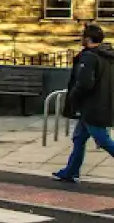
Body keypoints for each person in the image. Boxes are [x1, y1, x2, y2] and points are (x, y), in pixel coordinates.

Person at [55, 24, 114, 183]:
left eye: (82, 36)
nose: (80, 39)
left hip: (92, 107)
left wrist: (73, 97)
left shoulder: (89, 57)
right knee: (79, 138)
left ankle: (70, 171)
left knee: (103, 140)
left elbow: (85, 84)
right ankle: (70, 171)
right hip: (102, 103)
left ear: (87, 39)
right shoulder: (107, 56)